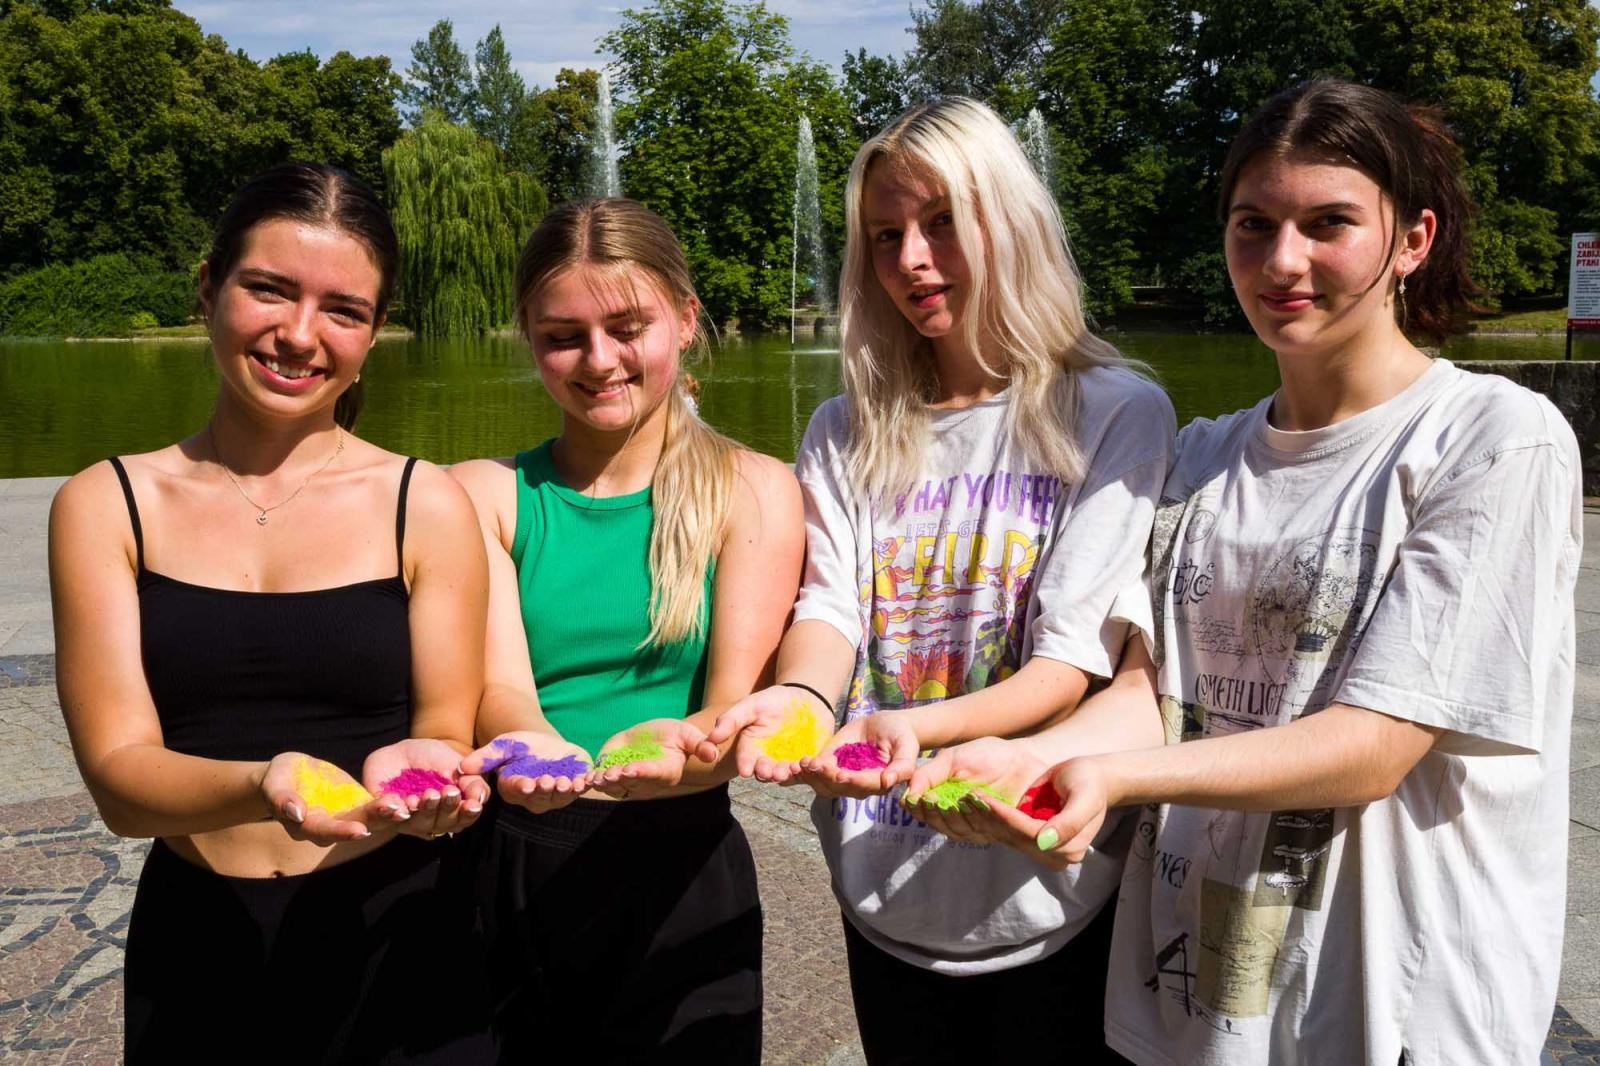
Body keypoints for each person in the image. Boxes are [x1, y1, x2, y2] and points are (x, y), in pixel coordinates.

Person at [906, 79, 1582, 1066]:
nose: (1282, 260)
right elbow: (1147, 696)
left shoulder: (1491, 439)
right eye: (1253, 225)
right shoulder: (1200, 454)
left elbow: (1375, 744)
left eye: (1328, 223)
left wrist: (1110, 777)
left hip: (1391, 1003)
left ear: (1412, 239)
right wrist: (1030, 758)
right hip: (1195, 1000)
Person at [706, 97, 1175, 1064]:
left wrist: (912, 730)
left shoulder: (1114, 411)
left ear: (1010, 220)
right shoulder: (845, 427)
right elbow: (831, 609)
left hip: (1045, 890)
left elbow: (1068, 668)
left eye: (943, 222)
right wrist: (802, 702)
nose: (913, 260)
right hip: (880, 886)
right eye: (887, 236)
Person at [48, 163, 494, 1062]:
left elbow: (445, 731)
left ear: (375, 333)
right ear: (208, 286)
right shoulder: (108, 504)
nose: (299, 334)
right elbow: (119, 783)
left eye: (344, 310)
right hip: (199, 944)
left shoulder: (425, 503)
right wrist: (265, 782)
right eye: (269, 289)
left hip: (402, 931)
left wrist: (436, 789)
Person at [450, 197, 804, 1063]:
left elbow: (733, 707)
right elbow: (501, 689)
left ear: (684, 319)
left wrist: (677, 752)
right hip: (514, 859)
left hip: (682, 866)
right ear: (529, 339)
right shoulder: (481, 495)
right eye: (563, 336)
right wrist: (539, 751)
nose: (599, 360)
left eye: (626, 328)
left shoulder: (753, 489)